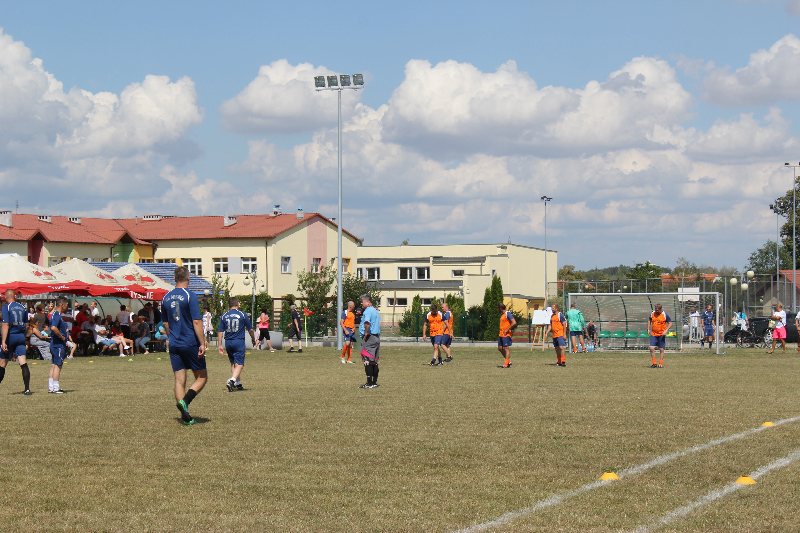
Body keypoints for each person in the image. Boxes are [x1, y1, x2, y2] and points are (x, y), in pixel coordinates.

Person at [163, 266, 207, 425]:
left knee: (179, 379)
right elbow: (196, 321)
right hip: (190, 342)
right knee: (202, 377)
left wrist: (173, 337)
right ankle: (185, 402)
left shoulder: (165, 297)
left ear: (175, 279)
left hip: (174, 343)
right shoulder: (190, 296)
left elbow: (165, 323)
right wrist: (202, 342)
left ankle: (185, 417)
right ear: (188, 278)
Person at [217, 297, 256, 392]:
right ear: (237, 304)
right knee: (240, 364)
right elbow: (250, 329)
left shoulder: (224, 315)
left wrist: (220, 344)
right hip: (238, 341)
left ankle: (237, 384)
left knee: (233, 363)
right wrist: (253, 339)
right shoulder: (242, 314)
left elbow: (220, 330)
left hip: (228, 342)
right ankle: (232, 381)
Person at [1, 289, 32, 394]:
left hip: (10, 336)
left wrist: (3, 341)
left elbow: (5, 324)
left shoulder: (6, 307)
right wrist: (25, 338)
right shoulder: (23, 307)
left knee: (2, 363)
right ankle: (27, 389)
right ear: (14, 296)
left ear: (6, 297)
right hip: (20, 336)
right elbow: (27, 325)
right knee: (23, 363)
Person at [48, 298, 71, 394]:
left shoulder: (55, 314)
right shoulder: (57, 314)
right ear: (62, 305)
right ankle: (56, 388)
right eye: (67, 305)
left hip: (54, 343)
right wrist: (62, 337)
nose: (67, 307)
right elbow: (53, 327)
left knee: (54, 364)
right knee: (58, 365)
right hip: (58, 344)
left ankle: (51, 387)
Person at [359, 294, 381, 389]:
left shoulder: (368, 311)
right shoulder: (375, 311)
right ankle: (374, 382)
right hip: (376, 338)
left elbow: (367, 323)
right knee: (374, 361)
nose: (361, 303)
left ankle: (369, 383)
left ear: (368, 302)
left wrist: (366, 333)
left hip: (370, 338)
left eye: (362, 302)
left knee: (367, 360)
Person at [648, 303, 672, 368]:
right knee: (651, 348)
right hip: (654, 334)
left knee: (661, 349)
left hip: (661, 334)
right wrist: (648, 329)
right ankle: (654, 363)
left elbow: (670, 323)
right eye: (655, 309)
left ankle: (660, 363)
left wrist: (666, 330)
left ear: (661, 309)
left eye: (657, 310)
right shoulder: (652, 313)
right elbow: (649, 320)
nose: (656, 311)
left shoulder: (665, 314)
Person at [497, 303, 517, 368]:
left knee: (506, 348)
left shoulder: (507, 313)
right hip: (501, 334)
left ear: (500, 308)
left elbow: (514, 322)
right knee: (500, 348)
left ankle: (506, 364)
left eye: (498, 308)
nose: (497, 310)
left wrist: (507, 329)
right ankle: (508, 362)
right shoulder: (502, 315)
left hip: (506, 334)